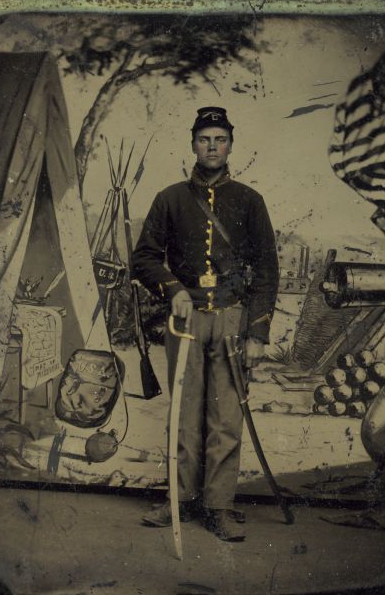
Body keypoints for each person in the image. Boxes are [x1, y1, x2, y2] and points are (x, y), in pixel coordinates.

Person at [131, 107, 279, 542]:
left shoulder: (250, 201)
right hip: (185, 320)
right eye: (204, 139)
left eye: (219, 139)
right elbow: (143, 258)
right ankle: (178, 499)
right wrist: (173, 288)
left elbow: (267, 271)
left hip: (233, 320)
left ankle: (219, 507)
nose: (212, 146)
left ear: (230, 144)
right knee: (184, 416)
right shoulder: (170, 198)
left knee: (225, 418)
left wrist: (258, 333)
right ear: (192, 144)